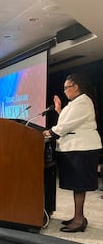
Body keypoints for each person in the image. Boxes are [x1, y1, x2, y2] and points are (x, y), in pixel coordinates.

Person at [43, 73, 102, 233]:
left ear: (75, 86)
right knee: (77, 185)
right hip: (76, 149)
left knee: (79, 185)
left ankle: (79, 220)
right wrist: (59, 110)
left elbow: (65, 126)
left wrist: (48, 132)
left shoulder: (83, 101)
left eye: (66, 88)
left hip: (82, 149)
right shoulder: (74, 103)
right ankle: (78, 216)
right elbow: (67, 121)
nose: (65, 91)